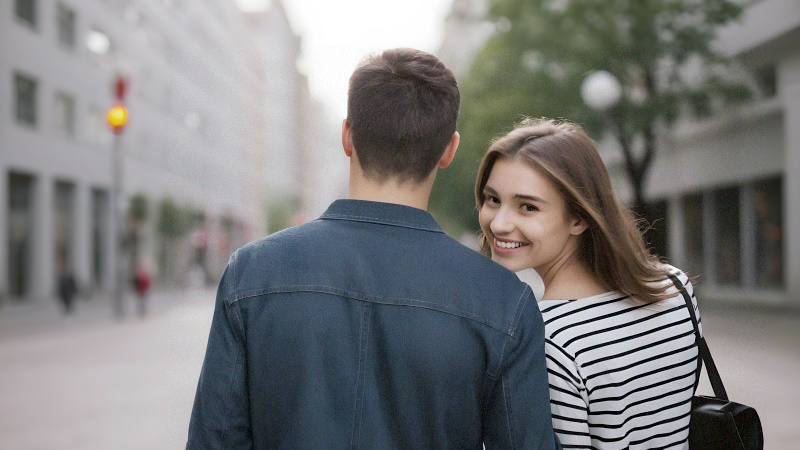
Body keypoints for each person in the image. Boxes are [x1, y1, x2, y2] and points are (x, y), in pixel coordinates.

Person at [187, 49, 559, 449]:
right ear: (449, 150)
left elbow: (215, 439)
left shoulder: (252, 272)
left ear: (347, 136)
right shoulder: (504, 300)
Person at [475, 118, 700, 449]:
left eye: (527, 207)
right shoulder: (675, 287)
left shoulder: (546, 338)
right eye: (493, 199)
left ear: (578, 218)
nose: (499, 222)